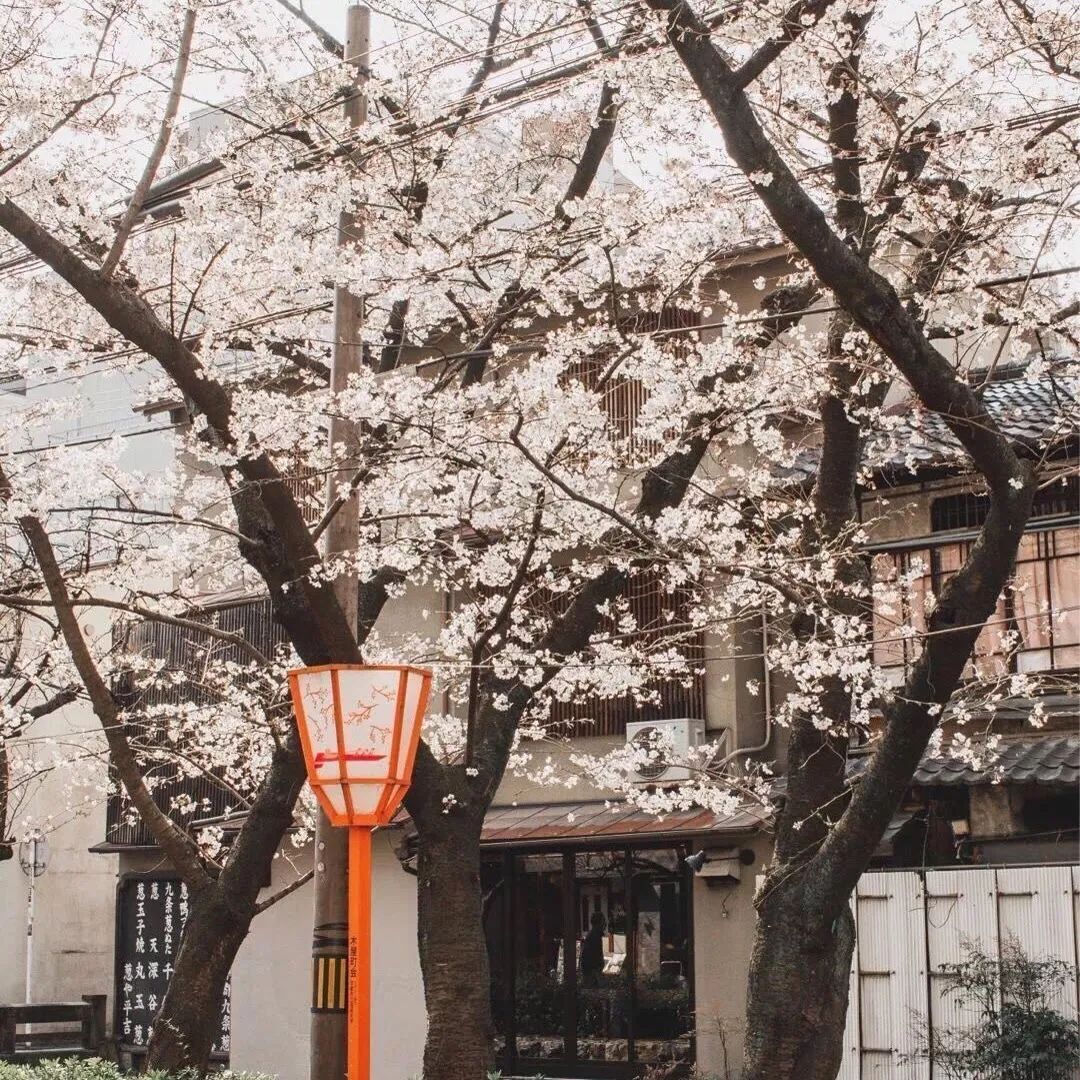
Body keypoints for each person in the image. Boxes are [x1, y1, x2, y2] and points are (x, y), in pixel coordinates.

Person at [580, 910, 606, 987]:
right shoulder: (595, 935)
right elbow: (594, 954)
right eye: (603, 921)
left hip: (590, 969)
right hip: (592, 970)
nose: (605, 923)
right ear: (599, 923)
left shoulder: (593, 934)